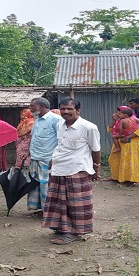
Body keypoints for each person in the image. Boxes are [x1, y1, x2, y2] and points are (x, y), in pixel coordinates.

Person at [42, 98, 101, 245]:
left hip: (77, 169)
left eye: (70, 109)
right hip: (59, 168)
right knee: (58, 202)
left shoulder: (88, 127)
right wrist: (53, 159)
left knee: (76, 203)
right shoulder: (59, 125)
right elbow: (61, 144)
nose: (66, 112)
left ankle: (74, 232)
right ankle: (62, 228)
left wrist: (96, 167)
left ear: (78, 111)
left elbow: (96, 149)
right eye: (63, 109)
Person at [27, 97, 62, 212]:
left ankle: (49, 211)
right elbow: (34, 138)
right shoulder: (37, 119)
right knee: (35, 185)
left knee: (46, 186)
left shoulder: (55, 119)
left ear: (41, 106)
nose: (30, 108)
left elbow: (62, 140)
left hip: (47, 159)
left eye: (32, 105)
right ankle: (40, 209)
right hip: (35, 158)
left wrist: (55, 158)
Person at [108, 106, 139, 185]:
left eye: (119, 112)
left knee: (129, 161)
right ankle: (116, 177)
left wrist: (127, 137)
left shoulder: (133, 119)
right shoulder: (119, 121)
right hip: (119, 144)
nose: (117, 114)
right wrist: (114, 121)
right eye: (117, 112)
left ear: (125, 114)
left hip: (131, 144)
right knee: (114, 159)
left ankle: (130, 180)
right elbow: (110, 129)